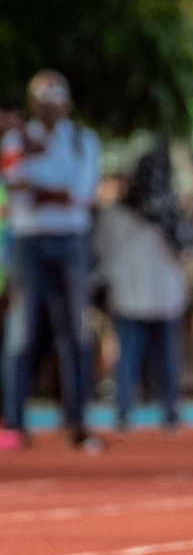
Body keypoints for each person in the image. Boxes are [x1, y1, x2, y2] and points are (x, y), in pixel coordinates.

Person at [0, 72, 103, 451]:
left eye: (56, 97)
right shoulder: (16, 140)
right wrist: (46, 189)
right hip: (28, 242)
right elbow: (14, 187)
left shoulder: (82, 140)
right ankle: (13, 422)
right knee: (21, 333)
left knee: (75, 331)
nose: (49, 105)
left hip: (72, 241)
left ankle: (76, 421)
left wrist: (39, 187)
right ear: (31, 103)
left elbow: (82, 191)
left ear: (68, 103)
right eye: (42, 98)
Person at [95, 143, 193, 434]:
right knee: (157, 356)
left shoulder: (115, 214)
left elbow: (99, 250)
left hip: (134, 295)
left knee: (131, 355)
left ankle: (126, 414)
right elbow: (186, 251)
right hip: (157, 296)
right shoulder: (170, 215)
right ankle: (168, 414)